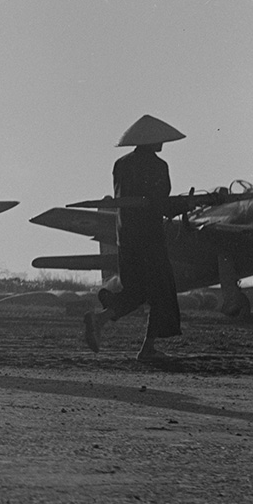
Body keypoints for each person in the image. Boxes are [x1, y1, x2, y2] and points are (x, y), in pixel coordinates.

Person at [83, 115, 187, 360]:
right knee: (161, 291)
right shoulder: (158, 166)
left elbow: (134, 198)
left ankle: (101, 318)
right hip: (150, 238)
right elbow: (159, 204)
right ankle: (147, 349)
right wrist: (183, 206)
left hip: (125, 237)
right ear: (152, 141)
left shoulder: (121, 164)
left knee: (138, 290)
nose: (163, 143)